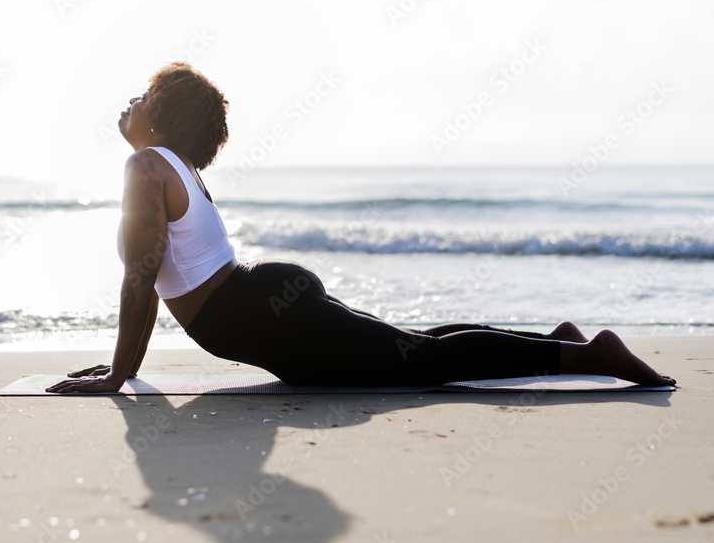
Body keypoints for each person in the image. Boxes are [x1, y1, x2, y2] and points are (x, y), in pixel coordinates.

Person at [48, 63, 674, 393]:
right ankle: (550, 340)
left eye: (144, 94)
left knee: (420, 361)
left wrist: (117, 373)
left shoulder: (147, 166)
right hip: (265, 309)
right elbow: (152, 276)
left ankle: (589, 354)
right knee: (410, 345)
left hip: (265, 315)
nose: (129, 102)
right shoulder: (174, 167)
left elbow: (140, 280)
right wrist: (120, 368)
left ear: (162, 114)